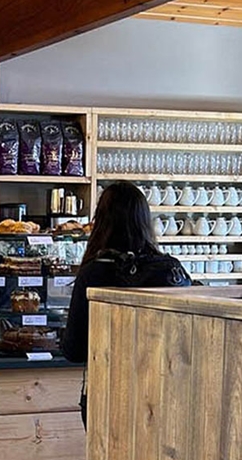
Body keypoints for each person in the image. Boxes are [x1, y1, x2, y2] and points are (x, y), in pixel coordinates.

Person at [61, 182, 191, 427]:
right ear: (145, 220)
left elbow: (74, 350)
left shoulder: (94, 272)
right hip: (164, 394)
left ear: (101, 221)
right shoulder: (171, 271)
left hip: (107, 392)